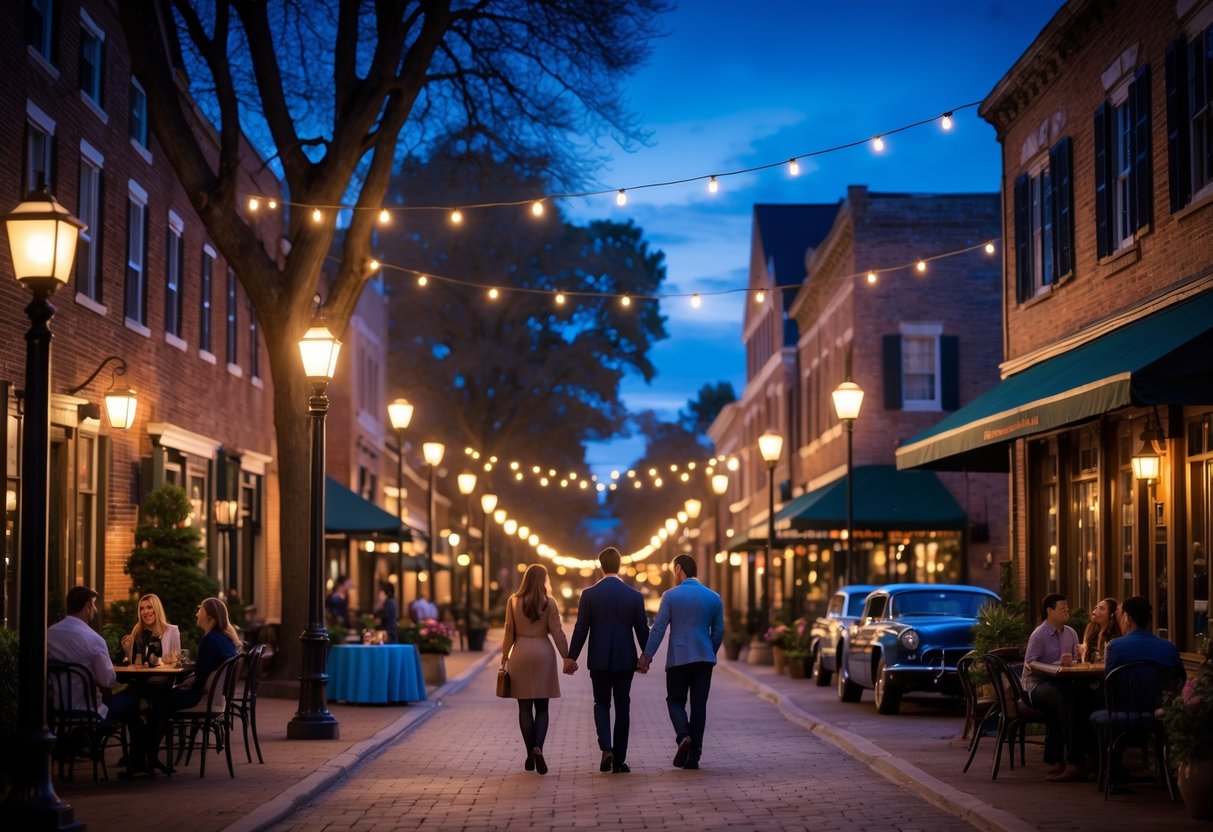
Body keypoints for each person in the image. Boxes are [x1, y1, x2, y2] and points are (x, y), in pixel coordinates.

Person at [564, 546, 649, 774]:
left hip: (599, 659)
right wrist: (646, 656)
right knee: (623, 706)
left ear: (600, 566)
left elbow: (581, 629)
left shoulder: (589, 595)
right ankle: (620, 760)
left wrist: (571, 657)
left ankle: (606, 747)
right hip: (625, 660)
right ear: (619, 566)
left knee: (601, 703)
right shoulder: (634, 596)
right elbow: (642, 630)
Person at [637, 554, 724, 771]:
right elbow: (719, 631)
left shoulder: (670, 596)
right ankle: (694, 757)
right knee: (699, 706)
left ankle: (684, 735)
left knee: (675, 700)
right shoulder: (714, 597)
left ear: (678, 569)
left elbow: (658, 628)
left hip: (679, 658)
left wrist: (646, 656)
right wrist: (709, 652)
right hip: (704, 658)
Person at [146, 597, 243, 772]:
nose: (197, 613)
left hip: (199, 698)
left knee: (157, 700)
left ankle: (147, 757)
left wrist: (187, 683)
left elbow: (200, 677)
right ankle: (148, 757)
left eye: (200, 609)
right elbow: (205, 673)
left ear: (210, 616)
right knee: (161, 699)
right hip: (213, 697)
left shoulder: (210, 640)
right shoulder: (223, 638)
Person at [501, 563, 570, 775]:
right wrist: (567, 656)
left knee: (524, 709)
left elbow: (508, 631)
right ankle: (539, 747)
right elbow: (557, 632)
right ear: (544, 580)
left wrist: (505, 656)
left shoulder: (513, 601)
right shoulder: (549, 603)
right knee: (542, 708)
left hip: (520, 652)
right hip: (543, 653)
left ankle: (530, 753)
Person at [1021, 592, 1087, 782]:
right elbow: (1029, 664)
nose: (1067, 611)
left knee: (1085, 696)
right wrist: (1058, 663)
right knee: (1064, 699)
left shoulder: (1071, 633)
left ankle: (1084, 758)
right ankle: (1073, 760)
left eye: (1067, 607)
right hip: (1035, 685)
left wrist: (1072, 662)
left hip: (1062, 683)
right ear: (1049, 611)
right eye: (1062, 608)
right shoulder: (1039, 635)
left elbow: (1075, 661)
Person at [47, 586, 118, 717]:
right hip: (89, 711)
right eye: (94, 605)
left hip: (58, 708)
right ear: (87, 607)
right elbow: (107, 680)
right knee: (132, 701)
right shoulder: (95, 639)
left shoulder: (49, 634)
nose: (95, 610)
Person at [1105, 595, 1184, 672]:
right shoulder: (1170, 648)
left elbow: (1110, 682)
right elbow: (1178, 681)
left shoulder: (1114, 647)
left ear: (1127, 618)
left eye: (1119, 616)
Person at [121, 593, 182, 664]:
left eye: (149, 607)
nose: (145, 612)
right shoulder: (138, 630)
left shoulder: (172, 630)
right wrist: (128, 650)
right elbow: (132, 663)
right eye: (142, 609)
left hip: (164, 674)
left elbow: (178, 662)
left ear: (157, 609)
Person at [1079, 597, 1120, 664]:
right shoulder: (1091, 630)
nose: (1096, 610)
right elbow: (1085, 659)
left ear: (1111, 614)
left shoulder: (1115, 635)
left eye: (1101, 608)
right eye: (1096, 607)